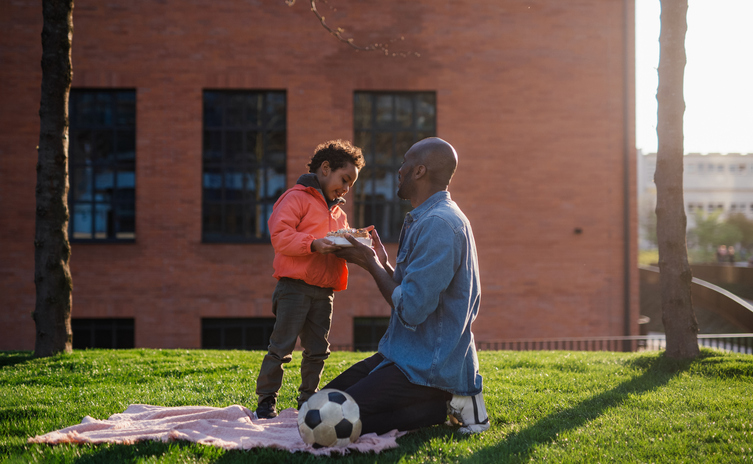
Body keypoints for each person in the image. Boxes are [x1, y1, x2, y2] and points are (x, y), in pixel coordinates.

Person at [326, 137, 490, 435]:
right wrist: (380, 262)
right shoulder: (421, 218)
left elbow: (411, 309)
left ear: (420, 171)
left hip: (427, 366)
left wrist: (369, 262)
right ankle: (437, 405)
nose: (398, 170)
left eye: (405, 162)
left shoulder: (440, 224)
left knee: (336, 421)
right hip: (402, 354)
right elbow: (412, 291)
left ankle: (449, 399)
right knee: (317, 404)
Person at [255, 139, 365, 419]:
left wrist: (355, 245)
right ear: (326, 168)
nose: (347, 188)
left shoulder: (339, 213)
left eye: (352, 183)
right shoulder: (295, 198)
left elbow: (337, 246)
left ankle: (307, 400)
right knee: (281, 347)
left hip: (324, 292)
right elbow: (280, 238)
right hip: (294, 288)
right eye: (345, 179)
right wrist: (313, 244)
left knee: (318, 351)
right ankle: (267, 399)